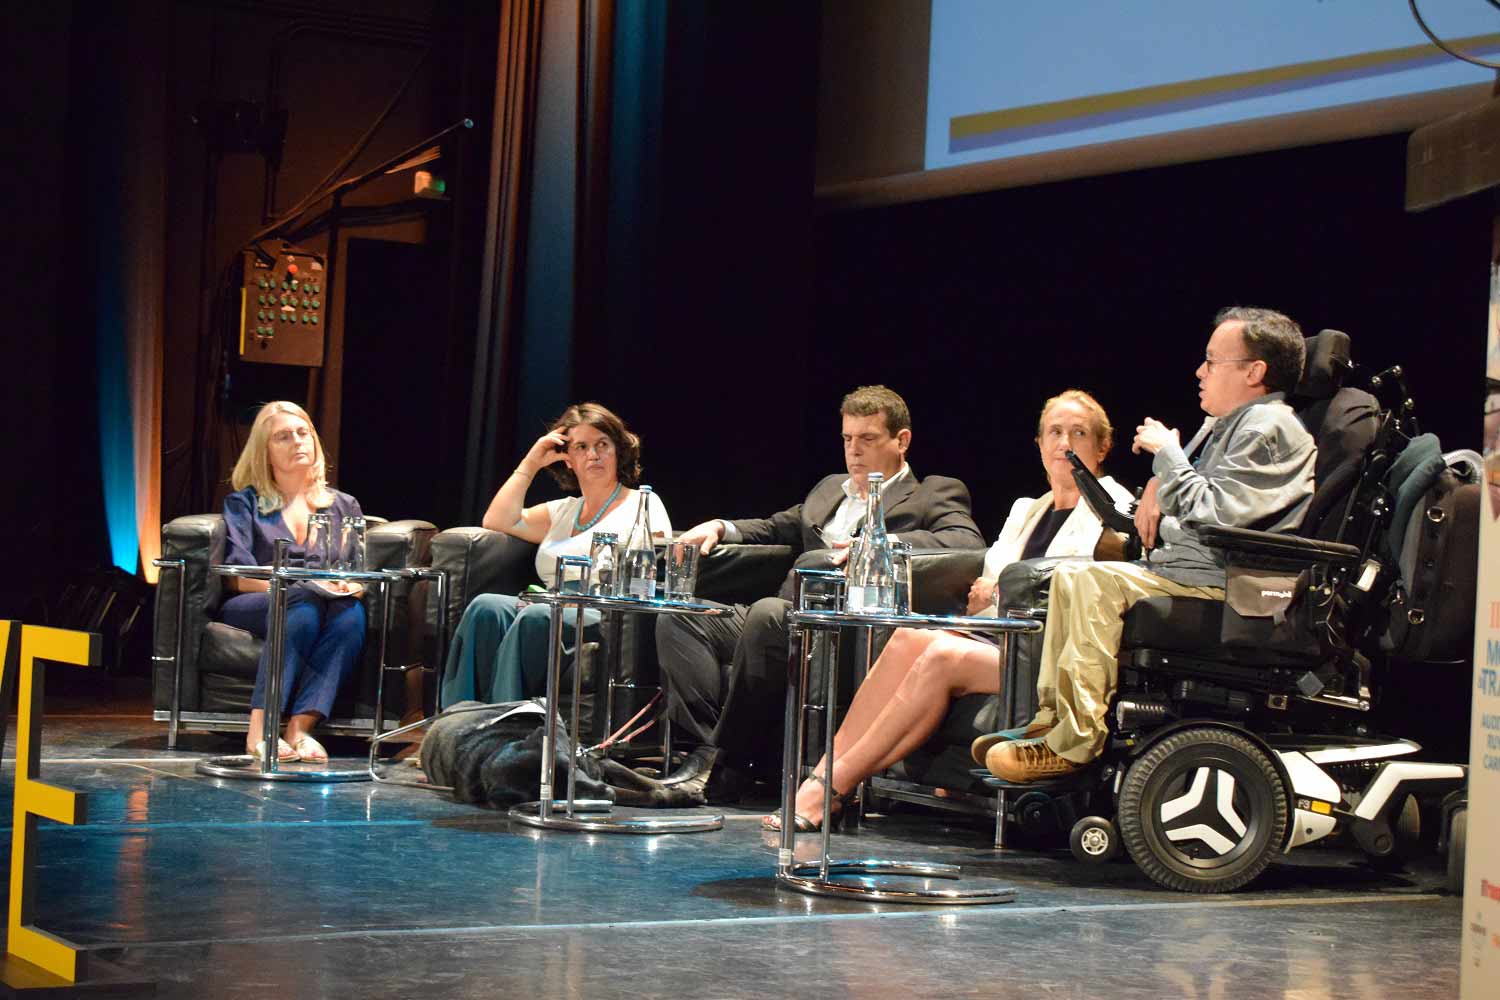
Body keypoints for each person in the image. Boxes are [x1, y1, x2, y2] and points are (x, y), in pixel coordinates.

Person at [766, 390, 1133, 831]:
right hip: (998, 635)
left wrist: (995, 594)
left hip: (1053, 653)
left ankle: (828, 790)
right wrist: (993, 594)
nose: (1064, 444)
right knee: (908, 637)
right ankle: (826, 775)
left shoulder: (1115, 511)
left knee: (940, 657)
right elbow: (987, 581)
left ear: (1102, 446)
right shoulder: (1026, 510)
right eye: (1054, 432)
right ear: (1038, 444)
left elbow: (1081, 591)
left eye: (1079, 433)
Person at [986, 306, 1317, 783]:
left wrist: (1168, 455)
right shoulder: (1234, 424)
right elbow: (1193, 497)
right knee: (1072, 577)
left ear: (1254, 371)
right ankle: (1050, 724)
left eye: (1212, 361)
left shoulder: (1270, 426)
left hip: (1228, 586)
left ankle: (1076, 742)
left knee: (1094, 583)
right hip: (1187, 572)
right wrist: (1163, 483)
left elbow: (1215, 511)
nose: (1200, 372)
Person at [655, 385, 984, 804]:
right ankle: (706, 751)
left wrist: (877, 546)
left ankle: (727, 767)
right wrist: (720, 526)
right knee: (681, 616)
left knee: (769, 613)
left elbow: (965, 543)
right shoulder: (831, 488)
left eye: (867, 439)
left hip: (845, 631)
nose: (854, 451)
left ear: (901, 441)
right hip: (784, 623)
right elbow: (776, 527)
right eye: (847, 439)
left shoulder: (933, 492)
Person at [440, 403, 671, 707]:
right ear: (569, 459)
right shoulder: (563, 510)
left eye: (603, 444)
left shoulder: (642, 503)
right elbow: (496, 520)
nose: (593, 455)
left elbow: (652, 569)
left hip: (603, 611)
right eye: (582, 447)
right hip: (552, 603)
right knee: (486, 607)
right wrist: (531, 462)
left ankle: (506, 725)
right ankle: (458, 720)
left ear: (618, 451)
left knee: (537, 615)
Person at [218, 401, 366, 764]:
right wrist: (292, 587)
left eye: (304, 434)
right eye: (283, 437)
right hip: (256, 601)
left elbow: (356, 572)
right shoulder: (245, 504)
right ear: (264, 452)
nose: (298, 442)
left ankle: (299, 727)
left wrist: (348, 587)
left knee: (351, 615)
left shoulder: (343, 505)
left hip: (319, 605)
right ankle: (260, 729)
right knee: (300, 602)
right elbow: (238, 578)